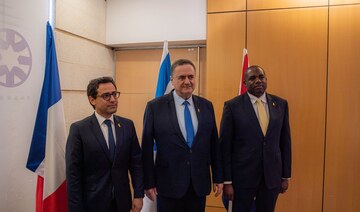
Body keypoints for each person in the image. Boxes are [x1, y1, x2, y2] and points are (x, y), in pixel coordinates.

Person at [142, 59, 223, 212]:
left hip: (198, 183)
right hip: (168, 184)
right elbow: (146, 148)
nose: (187, 81)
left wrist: (218, 177)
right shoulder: (155, 107)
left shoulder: (206, 106)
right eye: (181, 77)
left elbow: (214, 144)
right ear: (172, 81)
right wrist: (148, 182)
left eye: (191, 77)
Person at [66, 77, 144, 212]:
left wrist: (138, 195)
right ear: (92, 99)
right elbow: (73, 175)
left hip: (122, 202)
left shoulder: (127, 125)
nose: (113, 99)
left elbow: (136, 164)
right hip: (93, 203)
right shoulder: (79, 129)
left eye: (115, 94)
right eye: (106, 96)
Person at [220, 65, 291, 212]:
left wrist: (286, 176)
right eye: (252, 78)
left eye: (261, 77)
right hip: (242, 179)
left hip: (271, 178)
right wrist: (227, 181)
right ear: (245, 83)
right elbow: (225, 147)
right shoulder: (232, 106)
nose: (258, 81)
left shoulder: (280, 104)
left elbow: (285, 142)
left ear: (266, 80)